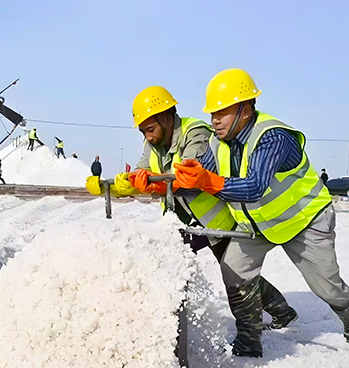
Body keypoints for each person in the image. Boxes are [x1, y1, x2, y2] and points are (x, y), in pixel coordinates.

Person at [172, 68, 349, 356]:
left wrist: (206, 180)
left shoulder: (272, 136)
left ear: (245, 111)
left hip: (303, 220)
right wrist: (162, 183)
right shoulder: (216, 143)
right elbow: (203, 178)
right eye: (213, 113)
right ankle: (249, 342)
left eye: (222, 112)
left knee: (327, 288)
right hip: (258, 225)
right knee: (234, 272)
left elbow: (254, 187)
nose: (215, 120)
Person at [85, 86, 296, 332]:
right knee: (168, 264)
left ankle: (272, 317)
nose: (148, 137)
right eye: (143, 131)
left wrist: (153, 183)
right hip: (181, 221)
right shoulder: (152, 143)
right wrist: (112, 186)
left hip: (213, 219)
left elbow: (190, 181)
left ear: (167, 116)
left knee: (236, 275)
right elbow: (141, 175)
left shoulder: (195, 133)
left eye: (150, 129)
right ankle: (165, 321)